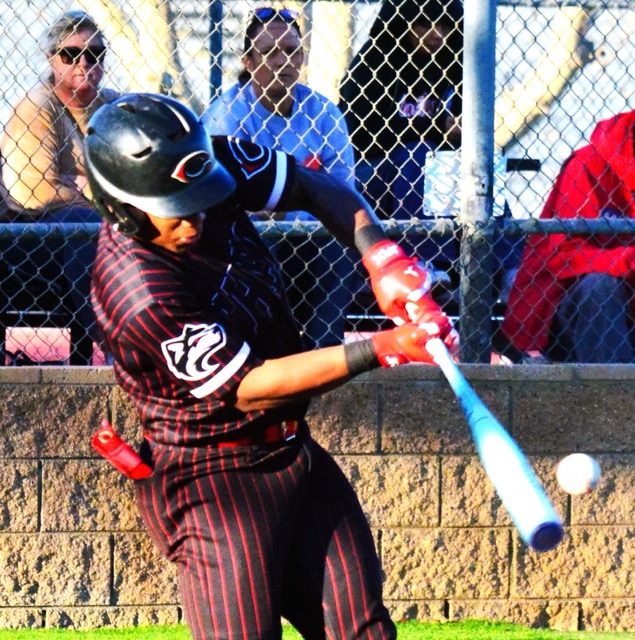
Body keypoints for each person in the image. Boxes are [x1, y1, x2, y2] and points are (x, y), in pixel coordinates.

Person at [85, 92, 458, 640]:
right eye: (174, 210)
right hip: (211, 478)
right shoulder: (138, 290)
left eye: (201, 200)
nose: (195, 218)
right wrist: (383, 347)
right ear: (122, 207)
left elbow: (313, 184)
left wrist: (382, 258)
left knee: (365, 633)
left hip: (291, 452)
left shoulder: (205, 162)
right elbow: (253, 386)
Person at [203, 6, 358, 349]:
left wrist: (296, 212)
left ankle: (325, 352)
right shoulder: (227, 115)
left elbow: (343, 188)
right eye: (270, 52)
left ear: (302, 58)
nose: (282, 61)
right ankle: (266, 351)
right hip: (250, 235)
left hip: (312, 233)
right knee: (261, 240)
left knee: (341, 244)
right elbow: (218, 200)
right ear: (248, 61)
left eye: (291, 52)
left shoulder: (323, 112)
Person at [0, 10, 119, 363]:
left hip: (91, 226)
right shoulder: (38, 107)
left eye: (95, 54)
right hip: (28, 238)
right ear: (53, 59)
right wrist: (100, 195)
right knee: (85, 228)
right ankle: (118, 345)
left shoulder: (112, 104)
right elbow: (31, 193)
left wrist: (81, 186)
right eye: (71, 54)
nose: (85, 63)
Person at [502, 109, 635, 363]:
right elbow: (564, 256)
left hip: (627, 309)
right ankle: (618, 394)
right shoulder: (587, 166)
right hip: (560, 309)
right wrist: (628, 260)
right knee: (600, 285)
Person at [339, 0, 463, 224]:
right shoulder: (373, 61)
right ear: (404, 22)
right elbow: (361, 137)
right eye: (426, 24)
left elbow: (456, 131)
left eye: (445, 25)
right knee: (420, 154)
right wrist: (437, 128)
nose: (438, 34)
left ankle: (509, 258)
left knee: (480, 168)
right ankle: (423, 255)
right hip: (368, 172)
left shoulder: (454, 63)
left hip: (431, 172)